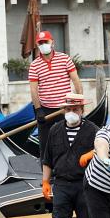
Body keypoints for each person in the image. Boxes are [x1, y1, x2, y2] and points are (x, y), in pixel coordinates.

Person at [41, 93, 98, 218]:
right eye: (68, 110)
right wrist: (45, 182)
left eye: (75, 109)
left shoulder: (93, 130)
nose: (72, 113)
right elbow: (47, 160)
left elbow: (105, 149)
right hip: (61, 185)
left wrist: (93, 152)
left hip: (85, 185)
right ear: (64, 111)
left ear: (82, 110)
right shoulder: (54, 130)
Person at [28, 30, 83, 161]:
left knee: (68, 142)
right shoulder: (34, 65)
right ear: (37, 45)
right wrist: (38, 110)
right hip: (45, 111)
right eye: (40, 43)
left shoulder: (65, 59)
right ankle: (46, 179)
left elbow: (76, 81)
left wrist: (79, 102)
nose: (43, 44)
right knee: (45, 145)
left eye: (45, 42)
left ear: (52, 42)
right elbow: (33, 90)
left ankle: (68, 172)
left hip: (66, 109)